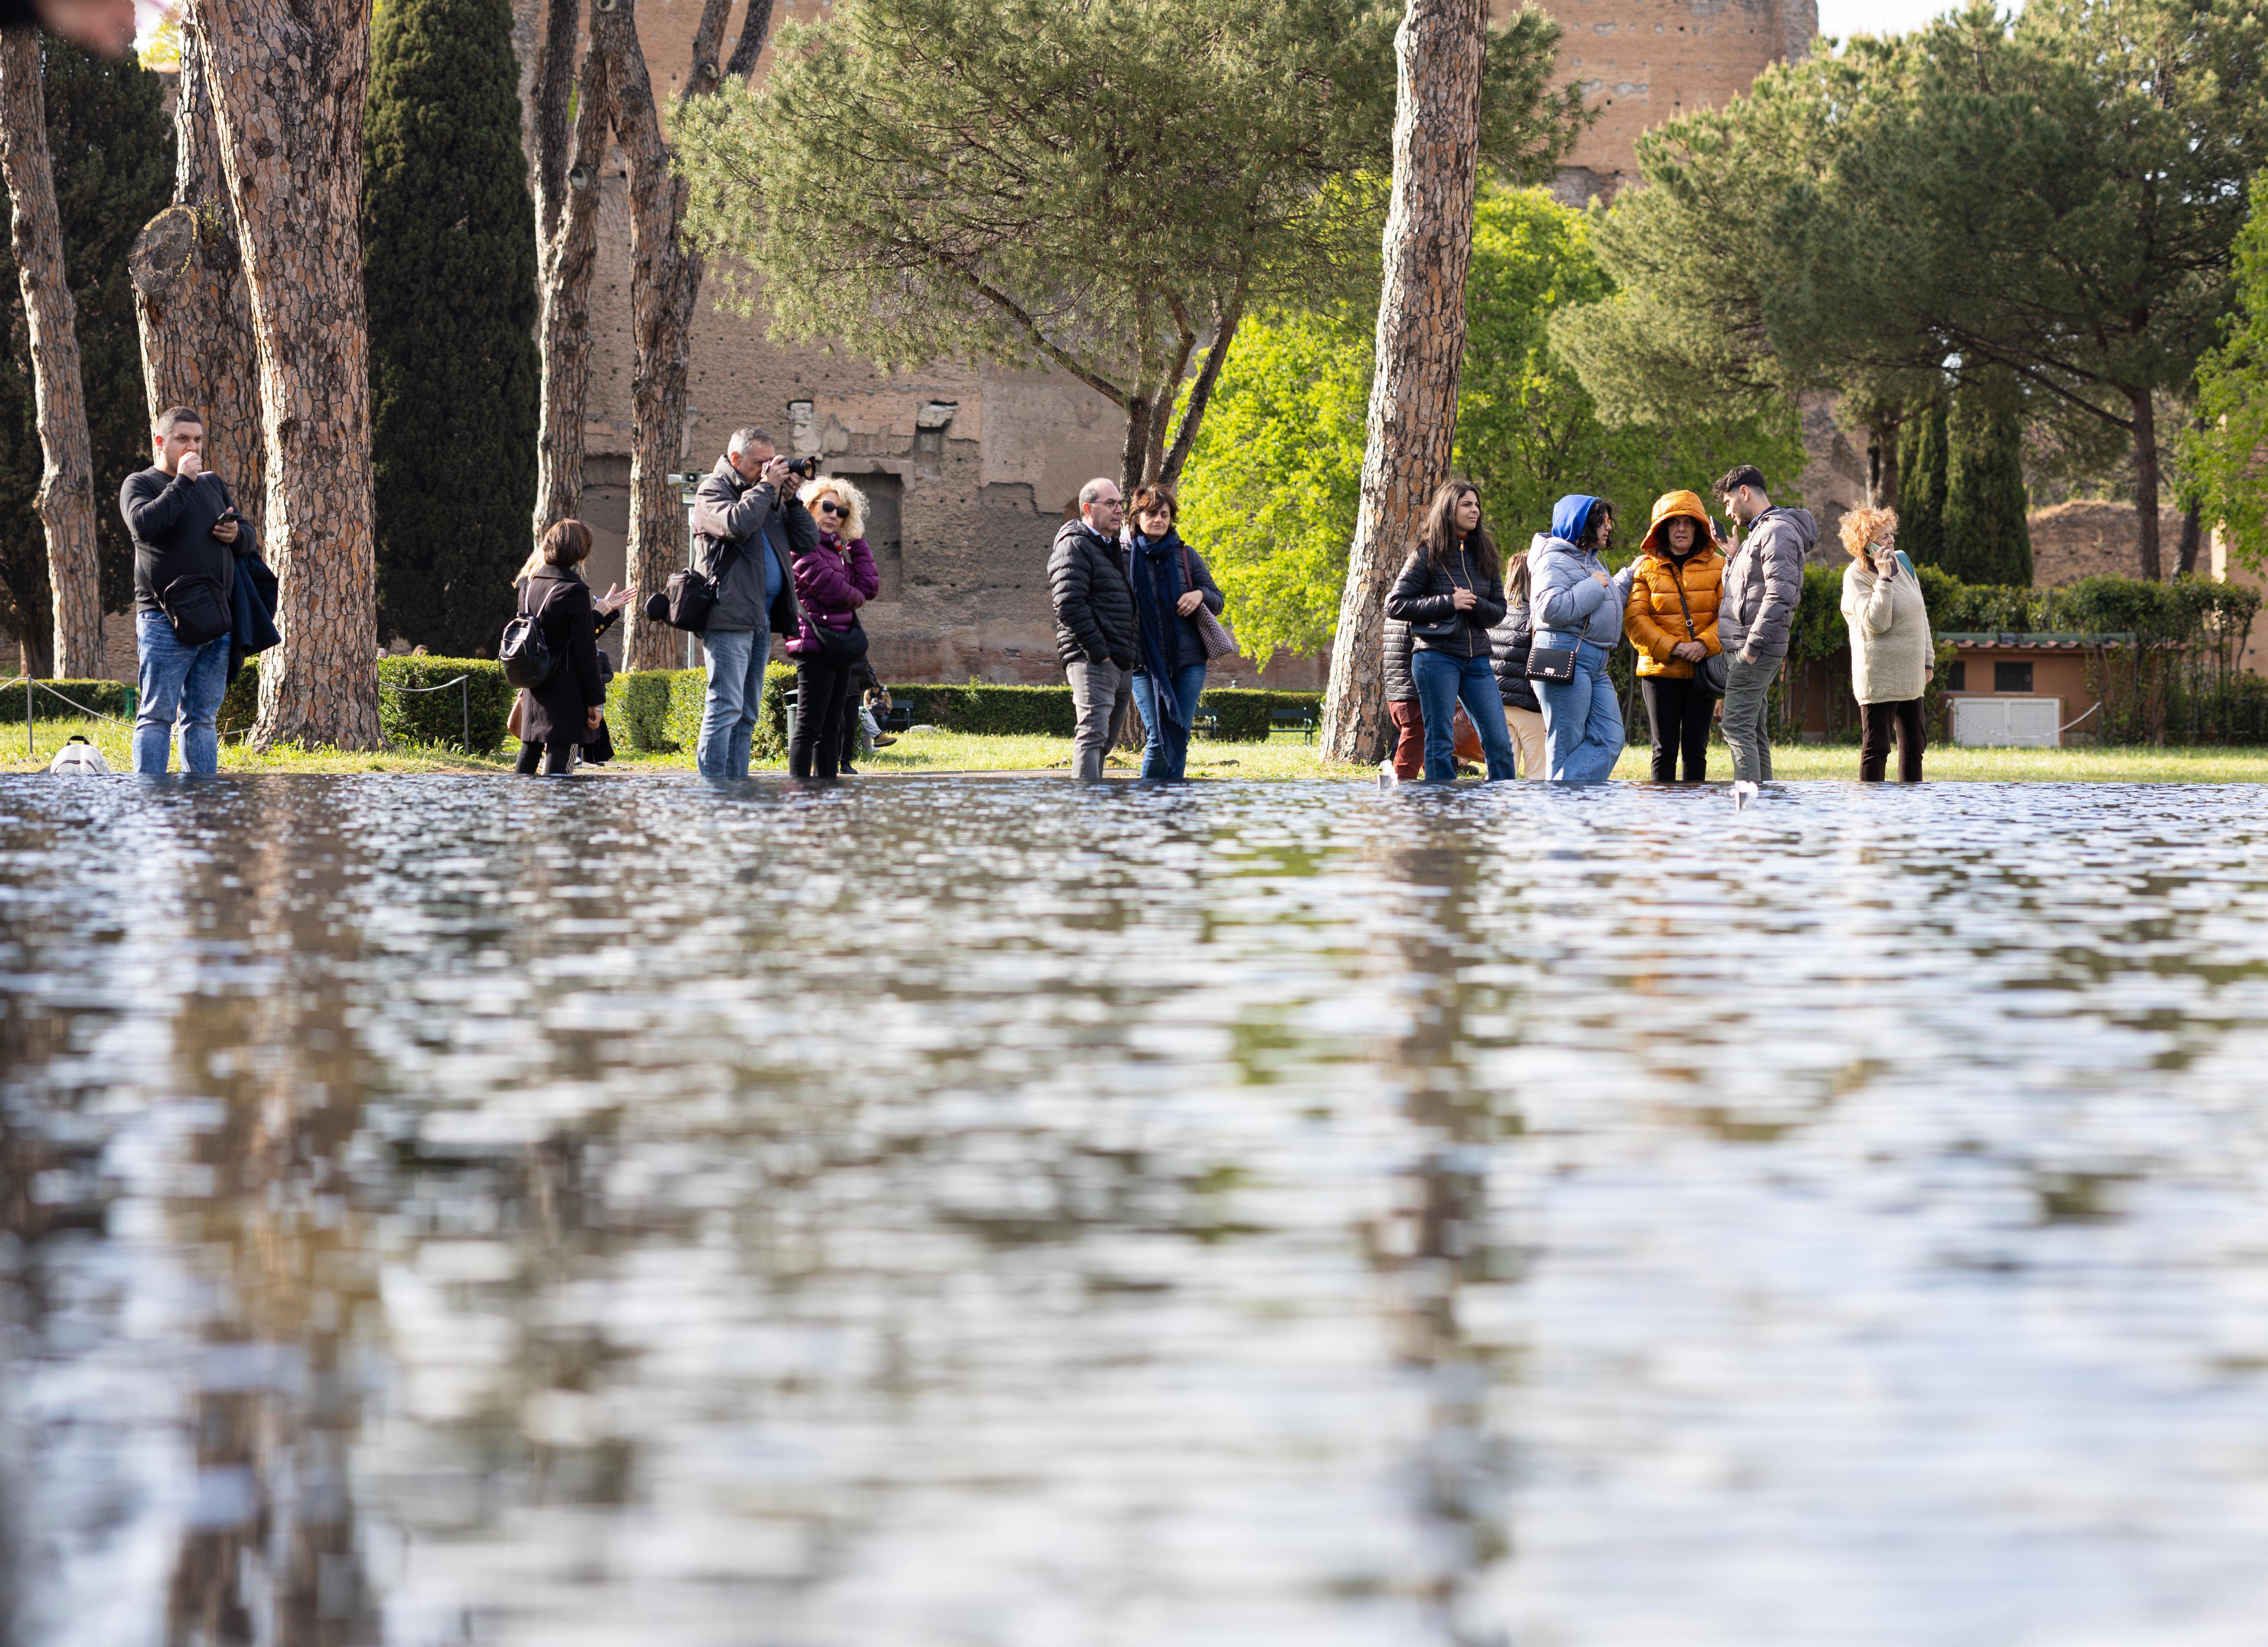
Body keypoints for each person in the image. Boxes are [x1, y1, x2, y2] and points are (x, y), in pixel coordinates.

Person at [120, 406, 256, 775]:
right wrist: (181, 482)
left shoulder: (212, 484)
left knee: (202, 718)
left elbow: (247, 537)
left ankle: (203, 802)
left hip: (217, 620)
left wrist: (237, 534)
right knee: (156, 716)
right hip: (165, 620)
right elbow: (144, 526)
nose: (192, 447)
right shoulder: (140, 484)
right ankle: (150, 801)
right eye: (183, 439)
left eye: (197, 439)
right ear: (161, 442)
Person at [688, 426, 815, 779]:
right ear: (735, 459)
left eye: (770, 462)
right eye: (759, 462)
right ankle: (714, 788)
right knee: (725, 706)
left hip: (760, 616)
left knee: (747, 712)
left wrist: (790, 500)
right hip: (728, 614)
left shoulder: (767, 496)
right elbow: (737, 525)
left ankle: (737, 785)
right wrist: (767, 488)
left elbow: (808, 542)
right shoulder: (713, 490)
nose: (767, 469)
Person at [1385, 480, 1518, 783]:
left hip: (1478, 661)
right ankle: (1441, 807)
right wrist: (1449, 602)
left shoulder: (1485, 554)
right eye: (1466, 505)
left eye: (1476, 505)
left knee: (1499, 741)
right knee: (1440, 741)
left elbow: (1498, 610)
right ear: (1449, 510)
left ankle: (1502, 803)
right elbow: (1395, 605)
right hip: (1435, 658)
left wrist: (1473, 606)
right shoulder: (1426, 554)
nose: (1475, 510)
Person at [1714, 464, 1815, 783]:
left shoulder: (1776, 531)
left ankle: (1749, 809)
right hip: (1746, 645)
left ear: (1744, 493)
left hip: (1753, 647)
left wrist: (1752, 647)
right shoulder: (1758, 534)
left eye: (1728, 502)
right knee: (1753, 730)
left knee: (1736, 726)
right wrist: (1733, 558)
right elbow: (1747, 592)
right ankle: (1765, 808)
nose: (1728, 513)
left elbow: (1781, 594)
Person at [1529, 494, 1639, 782]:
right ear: (1580, 525)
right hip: (1563, 657)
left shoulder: (1590, 562)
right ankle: (1562, 815)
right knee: (1566, 744)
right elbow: (1549, 608)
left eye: (1608, 521)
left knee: (1610, 738)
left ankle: (1562, 801)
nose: (1608, 528)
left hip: (1594, 664)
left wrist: (1628, 575)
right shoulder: (1551, 559)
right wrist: (1594, 585)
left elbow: (1602, 601)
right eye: (1601, 522)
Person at [1122, 483, 1225, 781]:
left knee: (1179, 735)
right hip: (1144, 663)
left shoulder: (1186, 556)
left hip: (1188, 662)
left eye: (1165, 514)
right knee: (1157, 738)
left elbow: (1217, 600)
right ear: (1137, 517)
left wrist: (1199, 596)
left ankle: (1174, 807)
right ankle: (1149, 808)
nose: (1159, 520)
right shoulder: (1124, 558)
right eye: (1152, 513)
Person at [1624, 490, 1726, 782]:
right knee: (1663, 750)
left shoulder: (1719, 566)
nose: (1681, 528)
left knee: (1696, 750)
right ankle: (1662, 819)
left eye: (1688, 522)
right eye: (1674, 522)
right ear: (1662, 528)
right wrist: (1674, 648)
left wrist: (1704, 644)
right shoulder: (1644, 567)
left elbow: (1729, 616)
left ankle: (1696, 821)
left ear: (1698, 528)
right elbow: (1635, 619)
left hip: (1701, 671)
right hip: (1659, 672)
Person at [785, 474, 879, 780]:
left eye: (842, 512)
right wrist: (855, 599)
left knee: (833, 727)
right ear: (809, 506)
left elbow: (868, 586)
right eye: (827, 507)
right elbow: (833, 589)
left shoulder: (838, 550)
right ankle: (800, 795)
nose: (833, 516)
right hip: (813, 644)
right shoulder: (800, 544)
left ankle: (827, 795)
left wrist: (856, 541)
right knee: (809, 726)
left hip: (838, 644)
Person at [513, 520, 624, 775]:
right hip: (565, 687)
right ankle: (558, 814)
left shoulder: (529, 586)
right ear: (582, 551)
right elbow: (584, 651)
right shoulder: (574, 590)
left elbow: (555, 635)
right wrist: (596, 701)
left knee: (529, 749)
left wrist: (602, 612)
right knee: (559, 752)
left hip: (536, 682)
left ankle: (521, 811)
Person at [1049, 478, 1138, 781]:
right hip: (1092, 660)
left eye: (1120, 504)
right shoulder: (1074, 544)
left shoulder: (1114, 548)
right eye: (1110, 504)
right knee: (1091, 736)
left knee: (1105, 742)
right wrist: (1100, 654)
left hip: (1121, 662)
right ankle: (1086, 812)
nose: (1119, 511)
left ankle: (1096, 811)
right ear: (1088, 509)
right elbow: (1069, 605)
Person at [1839, 505, 1932, 782]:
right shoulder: (1856, 577)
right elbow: (1877, 622)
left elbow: (1920, 614)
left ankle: (1910, 806)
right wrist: (1883, 580)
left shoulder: (1902, 563)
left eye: (1891, 534)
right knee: (1877, 748)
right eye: (1883, 537)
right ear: (1865, 545)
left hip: (1911, 674)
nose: (1891, 541)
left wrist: (1928, 661)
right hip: (1879, 677)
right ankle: (1872, 809)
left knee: (1915, 747)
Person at [1487, 549, 1548, 779]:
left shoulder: (1496, 613)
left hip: (1497, 704)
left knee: (1502, 773)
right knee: (1538, 774)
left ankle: (1497, 814)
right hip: (1529, 706)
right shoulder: (1537, 616)